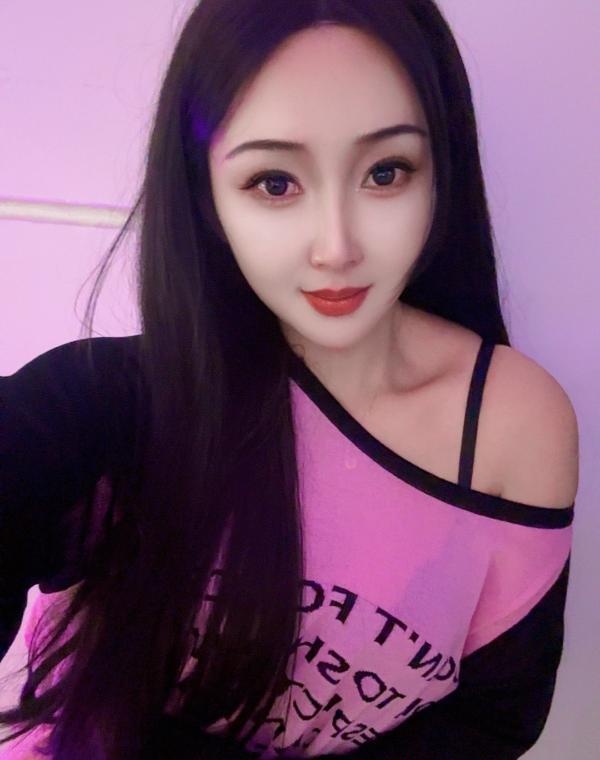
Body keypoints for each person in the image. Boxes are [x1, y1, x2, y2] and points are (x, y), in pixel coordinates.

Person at [0, 1, 579, 758]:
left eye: (385, 172)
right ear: (206, 196)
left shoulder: (512, 425)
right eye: (274, 182)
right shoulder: (111, 405)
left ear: (442, 173)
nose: (336, 247)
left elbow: (493, 722)